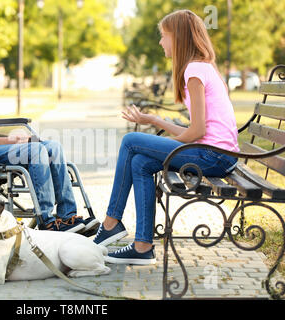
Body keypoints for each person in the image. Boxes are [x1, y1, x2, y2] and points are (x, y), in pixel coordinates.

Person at [93, 10, 240, 265]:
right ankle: (142, 246)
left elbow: (197, 132)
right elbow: (197, 130)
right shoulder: (202, 67)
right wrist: (154, 121)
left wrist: (162, 142)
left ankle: (111, 223)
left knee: (130, 142)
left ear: (179, 38)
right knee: (139, 162)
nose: (161, 42)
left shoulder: (194, 70)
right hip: (216, 154)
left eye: (164, 36)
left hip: (213, 156)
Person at [0, 42, 99, 234]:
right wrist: (9, 141)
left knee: (53, 147)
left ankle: (67, 216)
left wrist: (17, 140)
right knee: (36, 151)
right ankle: (46, 220)